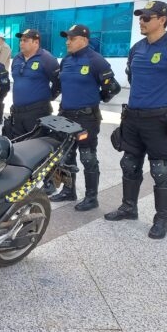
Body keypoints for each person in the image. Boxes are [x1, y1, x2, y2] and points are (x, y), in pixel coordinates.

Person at [104, 1, 167, 239]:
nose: (142, 21)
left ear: (162, 20)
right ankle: (129, 207)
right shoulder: (137, 47)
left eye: (147, 17)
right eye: (140, 17)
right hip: (134, 117)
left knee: (160, 169)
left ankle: (161, 220)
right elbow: (132, 76)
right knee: (129, 163)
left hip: (159, 119)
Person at [50, 24, 120, 212]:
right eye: (67, 38)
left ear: (84, 40)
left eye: (71, 39)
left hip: (86, 118)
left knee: (88, 157)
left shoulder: (96, 61)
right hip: (66, 115)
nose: (67, 42)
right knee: (65, 155)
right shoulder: (65, 61)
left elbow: (113, 88)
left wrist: (98, 99)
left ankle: (91, 197)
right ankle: (68, 190)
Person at [8, 29, 60, 138]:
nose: (21, 43)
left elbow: (58, 82)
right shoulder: (17, 58)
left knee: (37, 148)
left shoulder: (47, 59)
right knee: (18, 146)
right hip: (17, 112)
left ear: (36, 42)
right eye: (21, 40)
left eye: (25, 40)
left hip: (37, 112)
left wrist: (50, 97)